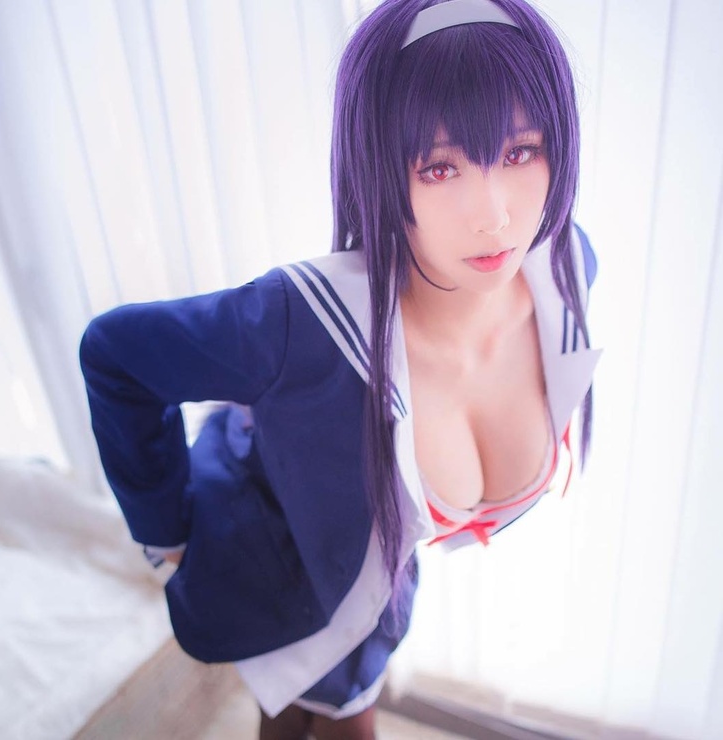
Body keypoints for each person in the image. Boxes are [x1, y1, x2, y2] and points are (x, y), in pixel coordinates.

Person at [79, 0, 601, 737]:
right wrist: (163, 531)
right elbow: (115, 355)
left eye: (519, 153)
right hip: (274, 558)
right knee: (326, 711)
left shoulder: (567, 268)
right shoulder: (303, 321)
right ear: (381, 172)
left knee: (298, 711)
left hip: (364, 581)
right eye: (440, 166)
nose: (494, 216)